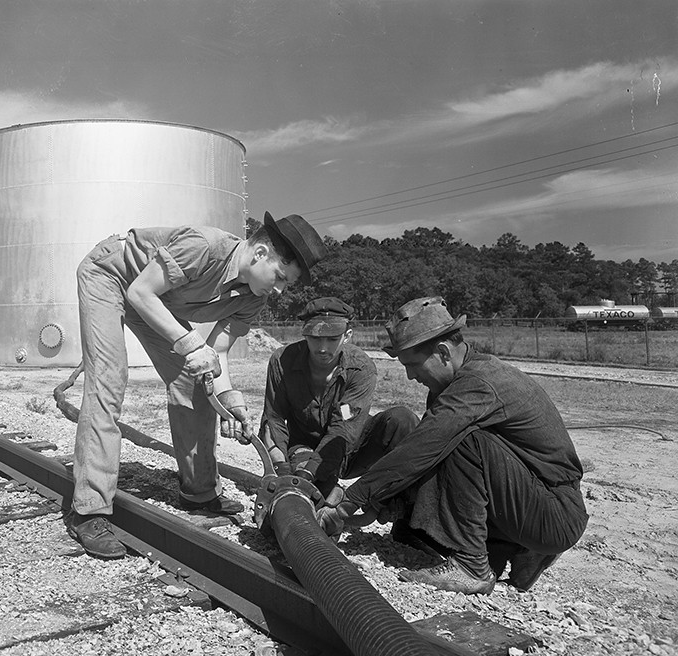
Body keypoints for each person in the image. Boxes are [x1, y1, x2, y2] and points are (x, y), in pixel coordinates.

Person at [67, 212, 329, 559]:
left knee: (195, 381)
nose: (280, 290)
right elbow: (142, 291)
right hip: (112, 277)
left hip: (150, 299)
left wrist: (231, 401)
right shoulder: (205, 247)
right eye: (281, 277)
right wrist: (190, 343)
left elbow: (217, 353)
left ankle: (199, 492)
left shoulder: (254, 297)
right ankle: (89, 511)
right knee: (108, 381)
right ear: (261, 253)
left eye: (287, 285)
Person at [318, 296, 589, 594]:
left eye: (413, 365)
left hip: (555, 513)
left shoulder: (478, 384)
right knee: (423, 468)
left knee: (459, 439)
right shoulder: (450, 386)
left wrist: (350, 501)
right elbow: (424, 462)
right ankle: (517, 548)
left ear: (444, 353)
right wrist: (382, 503)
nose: (410, 376)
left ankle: (472, 565)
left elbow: (424, 448)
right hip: (529, 502)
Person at [259, 297, 419, 499]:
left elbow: (345, 426)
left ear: (347, 336)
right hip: (303, 448)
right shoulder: (282, 361)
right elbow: (273, 418)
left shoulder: (360, 367)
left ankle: (402, 509)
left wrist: (312, 472)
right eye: (315, 338)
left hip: (350, 446)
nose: (323, 348)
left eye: (333, 339)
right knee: (312, 496)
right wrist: (282, 469)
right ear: (304, 334)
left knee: (402, 420)